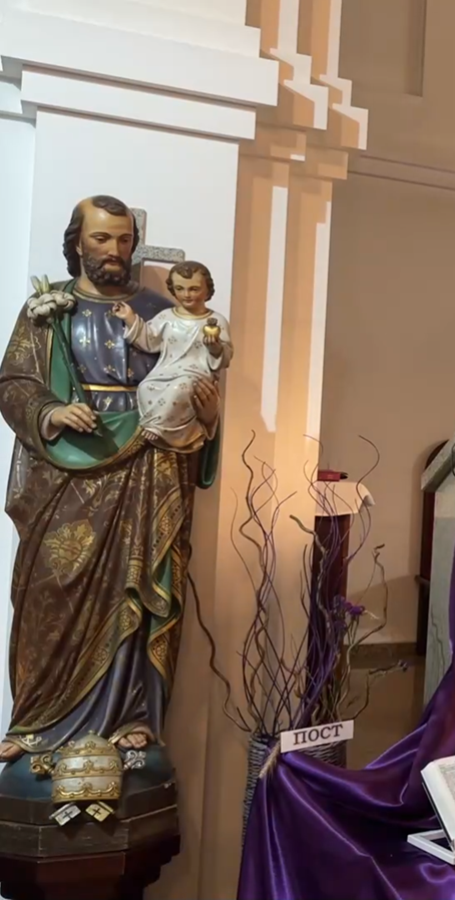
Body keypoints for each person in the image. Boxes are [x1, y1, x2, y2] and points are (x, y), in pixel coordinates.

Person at [0, 195, 221, 762]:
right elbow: (15, 383)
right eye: (101, 238)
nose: (114, 250)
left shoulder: (160, 311)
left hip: (147, 465)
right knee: (49, 587)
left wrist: (209, 414)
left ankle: (131, 716)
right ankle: (35, 718)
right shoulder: (46, 310)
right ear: (77, 241)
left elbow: (194, 383)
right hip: (67, 472)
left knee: (137, 588)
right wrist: (51, 411)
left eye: (124, 239)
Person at [110, 261, 233, 452]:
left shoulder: (216, 321)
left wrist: (215, 347)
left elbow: (225, 356)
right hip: (167, 370)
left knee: (181, 387)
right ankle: (158, 425)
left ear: (207, 290)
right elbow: (149, 338)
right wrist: (129, 317)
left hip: (196, 374)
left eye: (194, 289)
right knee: (146, 387)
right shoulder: (167, 317)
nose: (187, 294)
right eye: (180, 288)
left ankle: (157, 426)